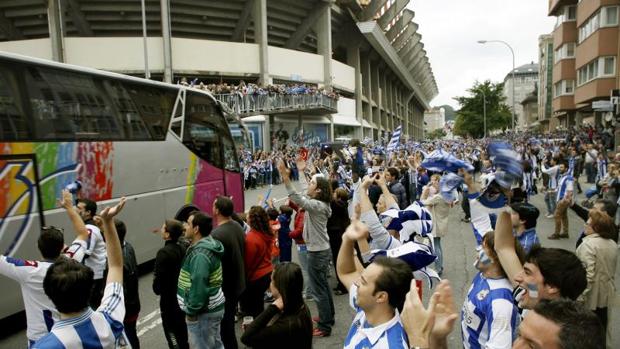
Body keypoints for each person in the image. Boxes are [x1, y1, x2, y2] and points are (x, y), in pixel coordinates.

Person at [34, 197, 129, 348]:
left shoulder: (46, 345)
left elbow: (114, 266)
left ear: (49, 295)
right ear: (88, 289)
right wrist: (108, 221)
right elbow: (116, 266)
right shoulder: (110, 319)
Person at [278, 158, 335, 337]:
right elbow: (304, 192)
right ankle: (328, 316)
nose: (309, 184)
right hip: (320, 249)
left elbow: (298, 198)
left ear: (318, 190)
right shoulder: (319, 203)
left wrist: (286, 178)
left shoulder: (317, 206)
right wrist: (302, 172)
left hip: (317, 252)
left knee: (319, 290)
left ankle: (325, 325)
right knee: (323, 286)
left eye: (312, 183)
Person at [337, 220, 413, 348]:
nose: (357, 283)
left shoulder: (391, 345)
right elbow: (347, 272)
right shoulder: (367, 306)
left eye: (363, 282)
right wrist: (348, 239)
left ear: (381, 297)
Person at [494, 211, 587, 310]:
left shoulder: (562, 325)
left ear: (551, 287)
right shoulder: (529, 296)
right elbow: (503, 248)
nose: (516, 277)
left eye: (527, 273)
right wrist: (503, 205)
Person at [461, 232, 522, 349]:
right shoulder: (483, 274)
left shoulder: (500, 301)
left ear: (495, 258)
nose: (477, 250)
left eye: (483, 248)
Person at [177, 211, 225, 349]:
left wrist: (191, 312)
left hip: (203, 313)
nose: (185, 226)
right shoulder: (209, 244)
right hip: (211, 309)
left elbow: (199, 286)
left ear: (196, 229)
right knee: (215, 344)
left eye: (188, 223)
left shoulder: (200, 255)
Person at [240, 263, 313, 349]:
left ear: (279, 287)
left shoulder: (285, 326)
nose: (270, 284)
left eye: (271, 280)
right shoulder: (301, 307)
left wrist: (273, 307)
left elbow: (246, 338)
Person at [576, 210, 618, 345]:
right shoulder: (612, 243)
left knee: (587, 330)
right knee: (603, 324)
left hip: (592, 295)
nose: (585, 225)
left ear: (596, 228)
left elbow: (587, 275)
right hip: (607, 292)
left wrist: (580, 297)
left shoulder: (588, 245)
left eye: (588, 224)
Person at [211, 196, 246, 349]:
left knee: (226, 328)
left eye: (214, 205)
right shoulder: (237, 226)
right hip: (239, 281)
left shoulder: (217, 234)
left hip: (226, 287)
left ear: (217, 210)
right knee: (229, 323)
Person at [153, 219, 189, 349]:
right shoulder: (182, 247)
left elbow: (158, 284)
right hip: (181, 297)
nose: (161, 230)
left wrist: (157, 287)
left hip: (168, 302)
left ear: (167, 234)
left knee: (171, 334)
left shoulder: (163, 253)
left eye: (163, 228)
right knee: (182, 331)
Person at [240, 206, 275, 318]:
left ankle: (256, 331)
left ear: (251, 219)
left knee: (253, 310)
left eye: (248, 215)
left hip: (256, 277)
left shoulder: (251, 238)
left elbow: (248, 263)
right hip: (267, 272)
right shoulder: (266, 233)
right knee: (259, 304)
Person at [76, 198, 107, 308]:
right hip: (96, 272)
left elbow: (86, 252)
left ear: (88, 212)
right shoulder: (91, 226)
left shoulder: (89, 229)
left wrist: (68, 253)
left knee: (93, 307)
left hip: (95, 275)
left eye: (79, 208)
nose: (76, 210)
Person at [114, 219, 140, 349]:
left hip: (126, 308)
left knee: (128, 337)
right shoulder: (127, 246)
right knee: (131, 335)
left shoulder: (120, 259)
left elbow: (123, 288)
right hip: (132, 305)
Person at [420, 174, 452, 276]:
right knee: (437, 245)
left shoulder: (438, 196)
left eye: (435, 181)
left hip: (436, 224)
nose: (433, 183)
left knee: (436, 246)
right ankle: (439, 266)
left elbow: (422, 202)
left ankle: (438, 268)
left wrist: (425, 192)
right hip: (441, 222)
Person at [327, 187, 351, 295]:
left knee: (339, 260)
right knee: (338, 260)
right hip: (337, 235)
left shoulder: (340, 205)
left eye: (335, 193)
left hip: (338, 236)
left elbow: (331, 202)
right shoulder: (341, 205)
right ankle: (340, 283)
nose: (333, 194)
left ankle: (343, 286)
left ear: (339, 196)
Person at [549, 162, 573, 239]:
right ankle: (565, 233)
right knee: (564, 216)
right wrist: (552, 191)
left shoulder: (568, 178)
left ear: (566, 168)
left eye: (562, 167)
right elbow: (559, 188)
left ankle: (556, 234)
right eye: (560, 167)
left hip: (563, 200)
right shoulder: (562, 177)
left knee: (557, 215)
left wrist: (564, 200)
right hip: (562, 199)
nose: (560, 169)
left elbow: (570, 191)